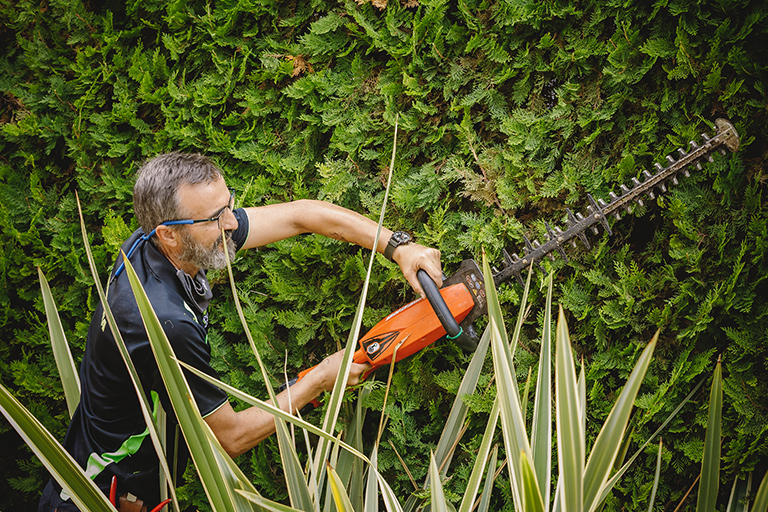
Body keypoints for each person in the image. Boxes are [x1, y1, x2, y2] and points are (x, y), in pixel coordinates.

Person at [38, 152, 443, 512]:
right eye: (215, 218)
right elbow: (231, 438)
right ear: (169, 233)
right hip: (95, 495)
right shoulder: (164, 322)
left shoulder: (148, 245)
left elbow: (299, 214)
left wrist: (398, 247)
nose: (232, 222)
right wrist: (321, 379)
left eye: (228, 205)